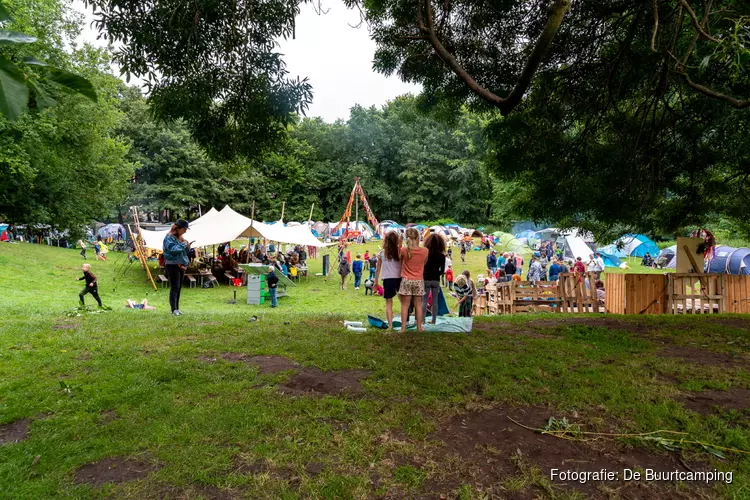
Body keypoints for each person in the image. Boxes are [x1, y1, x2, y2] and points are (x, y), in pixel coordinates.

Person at [398, 227, 429, 333]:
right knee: (418, 305)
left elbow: (400, 261)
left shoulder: (404, 250)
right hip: (418, 280)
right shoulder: (425, 251)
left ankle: (403, 328)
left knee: (405, 305)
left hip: (406, 280)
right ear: (418, 237)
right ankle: (419, 327)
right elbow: (424, 263)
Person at [163, 219, 192, 316]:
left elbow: (183, 253)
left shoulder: (180, 238)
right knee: (174, 287)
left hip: (181, 264)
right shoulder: (169, 237)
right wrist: (184, 244)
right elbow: (173, 249)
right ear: (178, 228)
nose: (185, 231)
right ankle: (173, 309)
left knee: (178, 287)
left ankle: (177, 308)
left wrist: (188, 247)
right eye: (184, 229)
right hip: (172, 265)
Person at [375, 231, 402, 329]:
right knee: (403, 303)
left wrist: (376, 282)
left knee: (389, 303)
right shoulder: (400, 252)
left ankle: (390, 326)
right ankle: (404, 324)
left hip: (387, 279)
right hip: (399, 279)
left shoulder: (382, 253)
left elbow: (377, 269)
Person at [422, 233, 446, 325]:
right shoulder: (442, 256)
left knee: (424, 300)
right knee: (435, 301)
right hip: (436, 280)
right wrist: (437, 274)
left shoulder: (425, 254)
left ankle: (423, 320)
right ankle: (434, 320)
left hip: (426, 279)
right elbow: (442, 270)